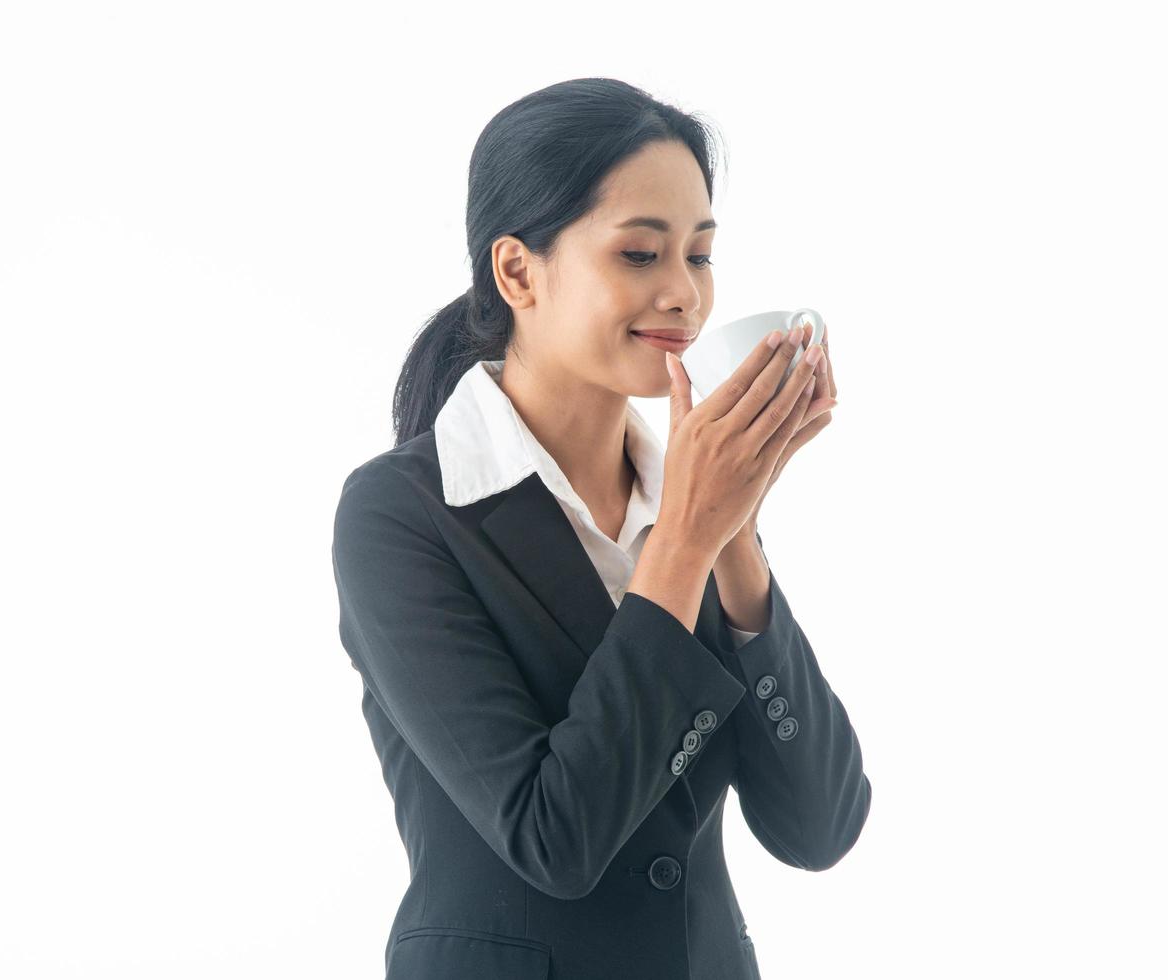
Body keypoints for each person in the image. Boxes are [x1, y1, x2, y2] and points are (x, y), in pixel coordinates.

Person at [331, 77, 871, 980]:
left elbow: (819, 827)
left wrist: (733, 536)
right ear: (517, 272)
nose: (684, 297)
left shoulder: (690, 501)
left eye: (698, 257)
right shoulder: (401, 514)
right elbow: (554, 839)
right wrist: (691, 538)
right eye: (638, 256)